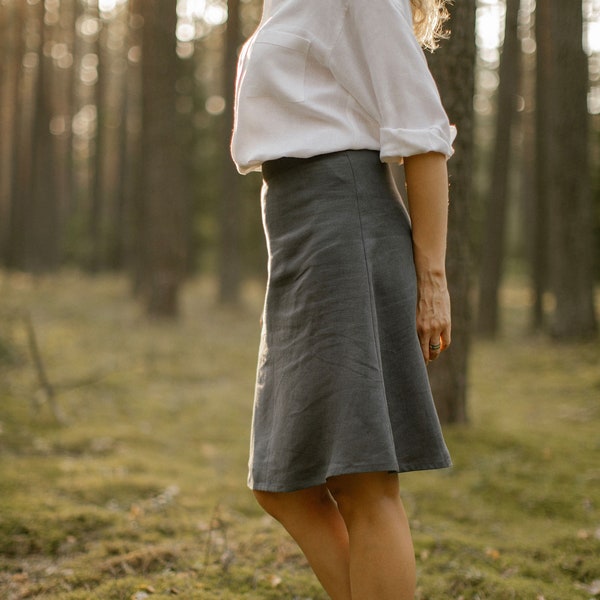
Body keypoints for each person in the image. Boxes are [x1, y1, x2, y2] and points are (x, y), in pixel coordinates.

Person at [230, 1, 454, 598]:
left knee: (364, 478)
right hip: (300, 236)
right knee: (281, 484)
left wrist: (431, 277)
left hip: (345, 227)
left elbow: (424, 134)